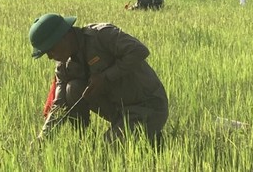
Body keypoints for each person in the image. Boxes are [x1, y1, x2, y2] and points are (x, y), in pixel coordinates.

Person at [30, 13, 169, 147]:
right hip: (118, 112)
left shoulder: (102, 36)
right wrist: (42, 138)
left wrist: (106, 76)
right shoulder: (63, 66)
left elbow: (140, 51)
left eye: (51, 50)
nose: (49, 57)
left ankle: (149, 133)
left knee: (106, 149)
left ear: (65, 36)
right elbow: (59, 105)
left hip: (148, 105)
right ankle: (87, 140)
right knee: (73, 88)